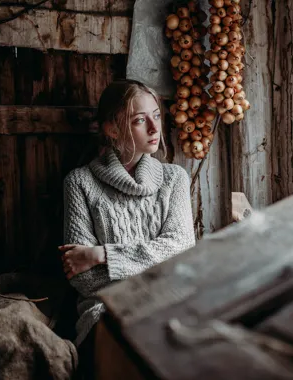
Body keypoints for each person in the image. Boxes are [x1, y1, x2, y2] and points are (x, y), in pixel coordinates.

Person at [59, 79, 196, 375]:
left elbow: (181, 249)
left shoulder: (174, 180)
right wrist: (152, 262)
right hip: (107, 311)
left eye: (156, 115)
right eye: (139, 120)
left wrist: (103, 255)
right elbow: (83, 279)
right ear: (112, 129)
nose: (154, 128)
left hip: (171, 302)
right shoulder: (80, 183)